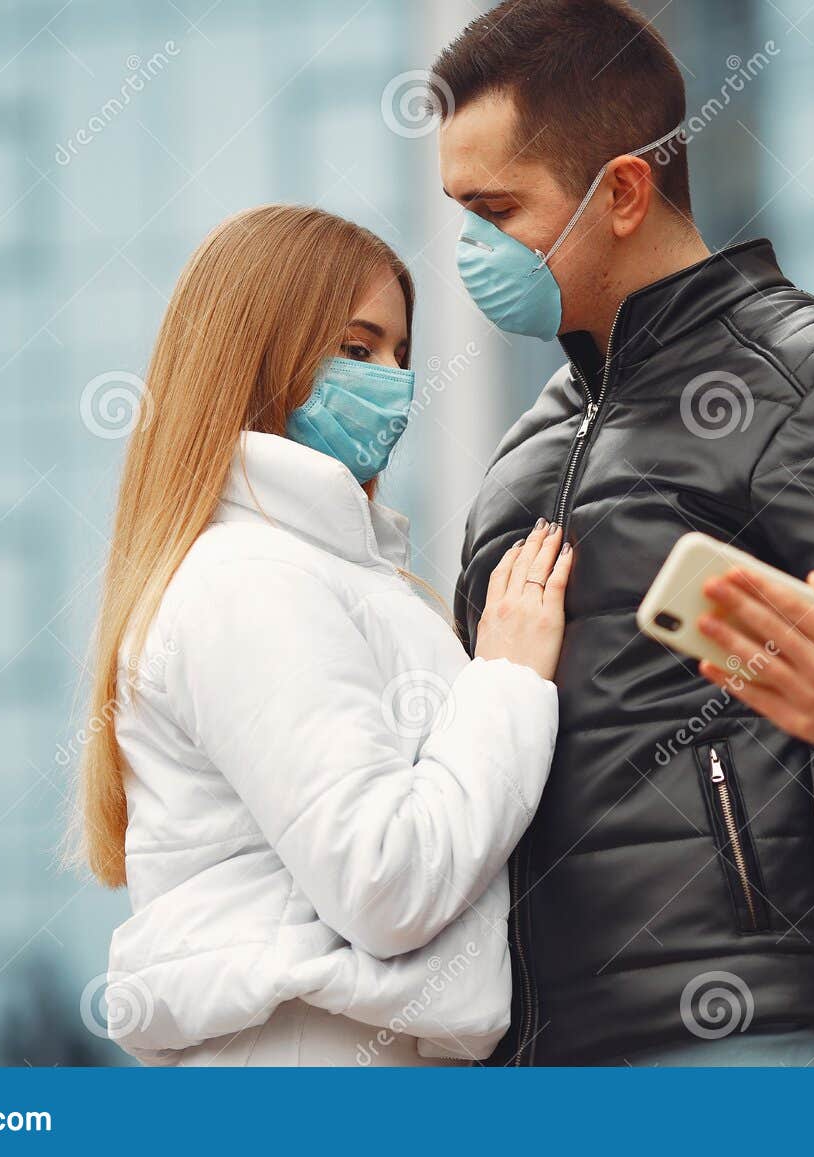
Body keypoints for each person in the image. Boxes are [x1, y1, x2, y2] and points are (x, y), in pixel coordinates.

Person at [433, 0, 814, 1067]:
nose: (473, 249)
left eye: (497, 209)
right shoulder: (519, 459)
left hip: (765, 1048)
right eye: (459, 214)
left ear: (622, 189)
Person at [74, 204, 572, 1065]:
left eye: (402, 354)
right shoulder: (250, 579)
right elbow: (383, 877)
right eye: (356, 347)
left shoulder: (323, 568)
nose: (393, 380)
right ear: (257, 352)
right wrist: (508, 681)